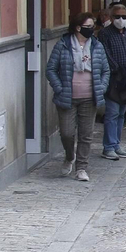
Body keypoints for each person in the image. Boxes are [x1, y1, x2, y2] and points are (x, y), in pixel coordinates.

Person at [46, 11, 109, 182]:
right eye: (88, 27)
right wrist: (59, 88)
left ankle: (81, 168)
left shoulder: (97, 46)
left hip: (90, 97)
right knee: (67, 132)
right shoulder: (63, 45)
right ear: (78, 27)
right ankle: (69, 156)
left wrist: (101, 87)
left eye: (93, 26)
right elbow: (51, 69)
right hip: (67, 96)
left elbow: (105, 70)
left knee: (86, 134)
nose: (91, 29)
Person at [97, 1, 126, 161]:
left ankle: (116, 145)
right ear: (111, 17)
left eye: (124, 17)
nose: (121, 20)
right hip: (113, 78)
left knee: (122, 112)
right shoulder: (105, 34)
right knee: (112, 112)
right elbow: (105, 55)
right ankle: (108, 147)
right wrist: (118, 69)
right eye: (117, 17)